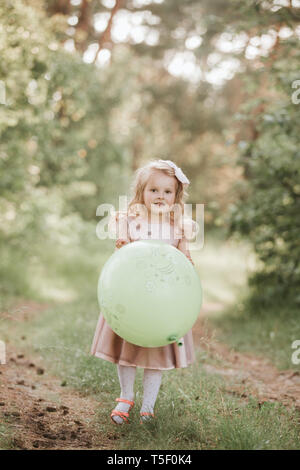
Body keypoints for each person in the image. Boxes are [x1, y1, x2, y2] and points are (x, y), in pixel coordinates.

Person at [90, 159, 197, 424]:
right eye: (154, 190)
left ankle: (148, 407)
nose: (160, 196)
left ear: (176, 196)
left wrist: (186, 263)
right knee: (127, 350)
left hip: (162, 304)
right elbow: (124, 259)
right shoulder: (130, 221)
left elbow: (184, 263)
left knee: (155, 356)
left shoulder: (178, 227)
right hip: (133, 301)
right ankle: (126, 397)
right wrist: (123, 242)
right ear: (142, 193)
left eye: (167, 192)